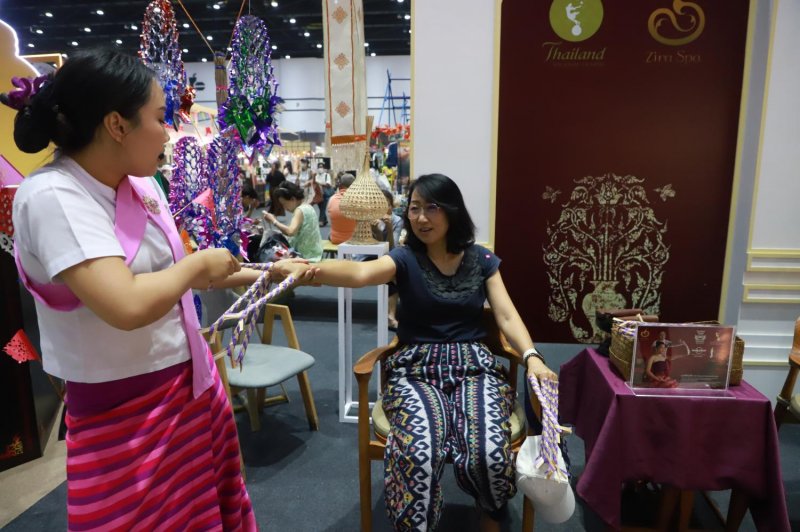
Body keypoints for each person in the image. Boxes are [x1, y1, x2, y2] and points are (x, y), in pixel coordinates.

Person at [3, 49, 309, 531]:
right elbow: (126, 304)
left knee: (207, 512)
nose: (168, 132)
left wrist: (274, 273)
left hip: (190, 382)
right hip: (123, 414)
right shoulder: (52, 197)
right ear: (117, 125)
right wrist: (194, 267)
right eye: (160, 117)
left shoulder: (142, 186)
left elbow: (186, 274)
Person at [280, 173, 557, 531]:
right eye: (414, 208)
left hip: (475, 366)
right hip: (415, 369)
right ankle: (417, 524)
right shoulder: (404, 258)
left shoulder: (482, 259)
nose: (421, 217)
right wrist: (308, 271)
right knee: (416, 452)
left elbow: (505, 314)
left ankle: (491, 509)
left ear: (452, 211)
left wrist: (532, 356)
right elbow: (358, 274)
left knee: (487, 453)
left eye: (432, 207)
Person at [264, 181, 324, 263]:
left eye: (284, 204)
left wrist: (274, 221)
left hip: (306, 257)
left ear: (293, 199)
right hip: (315, 253)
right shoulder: (308, 206)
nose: (284, 208)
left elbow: (290, 232)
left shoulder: (300, 210)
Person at [326, 172, 357, 244]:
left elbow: (330, 220)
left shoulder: (331, 199)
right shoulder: (358, 200)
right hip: (354, 240)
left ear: (340, 186)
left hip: (335, 239)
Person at [316, 162, 334, 227]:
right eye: (319, 167)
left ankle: (320, 221)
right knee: (321, 208)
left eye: (321, 167)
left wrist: (319, 183)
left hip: (325, 194)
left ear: (323, 168)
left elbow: (328, 184)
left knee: (323, 208)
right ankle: (325, 220)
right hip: (317, 194)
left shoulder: (327, 175)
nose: (320, 168)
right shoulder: (316, 175)